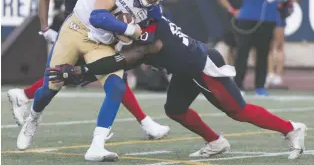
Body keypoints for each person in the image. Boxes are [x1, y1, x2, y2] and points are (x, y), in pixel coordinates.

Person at [48, 17, 307, 160]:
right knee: (175, 109)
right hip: (187, 67)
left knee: (238, 111)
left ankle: (291, 129)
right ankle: (215, 142)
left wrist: (80, 71)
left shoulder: (149, 42)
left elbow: (120, 60)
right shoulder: (148, 18)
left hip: (202, 68)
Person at [16, 0, 174, 162]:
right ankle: (33, 118)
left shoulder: (153, 13)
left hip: (102, 44)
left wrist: (134, 38)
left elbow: (145, 40)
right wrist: (129, 30)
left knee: (116, 85)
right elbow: (97, 16)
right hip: (77, 28)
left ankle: (97, 145)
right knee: (51, 87)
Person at [234, 0, 284, 96]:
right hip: (246, 18)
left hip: (267, 18)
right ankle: (238, 86)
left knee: (263, 53)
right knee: (242, 53)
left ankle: (259, 87)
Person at [266, 0, 306, 87]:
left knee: (279, 45)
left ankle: (278, 74)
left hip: (278, 15)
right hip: (267, 15)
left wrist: (290, 2)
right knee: (268, 46)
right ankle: (270, 73)